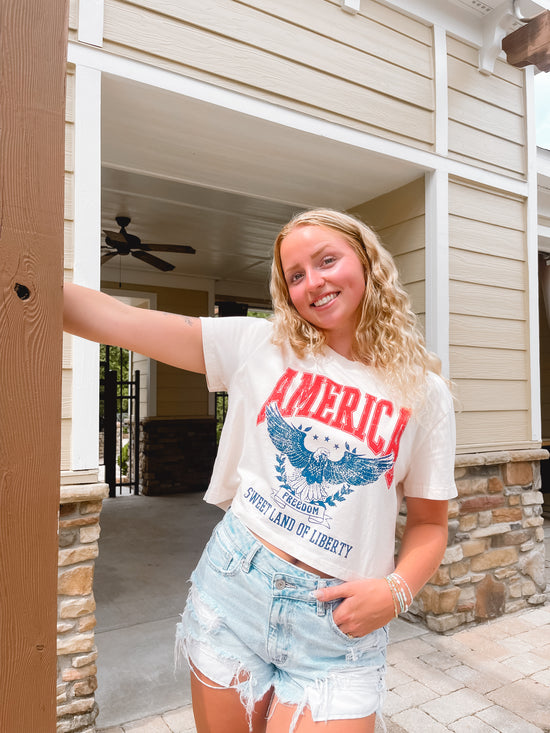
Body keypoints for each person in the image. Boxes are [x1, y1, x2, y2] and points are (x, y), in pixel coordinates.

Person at [63, 208, 456, 733]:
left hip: (337, 629)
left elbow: (430, 523)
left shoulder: (424, 393)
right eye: (295, 275)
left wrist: (398, 591)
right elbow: (121, 321)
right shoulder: (262, 347)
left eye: (326, 260)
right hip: (234, 589)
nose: (312, 282)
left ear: (366, 262)